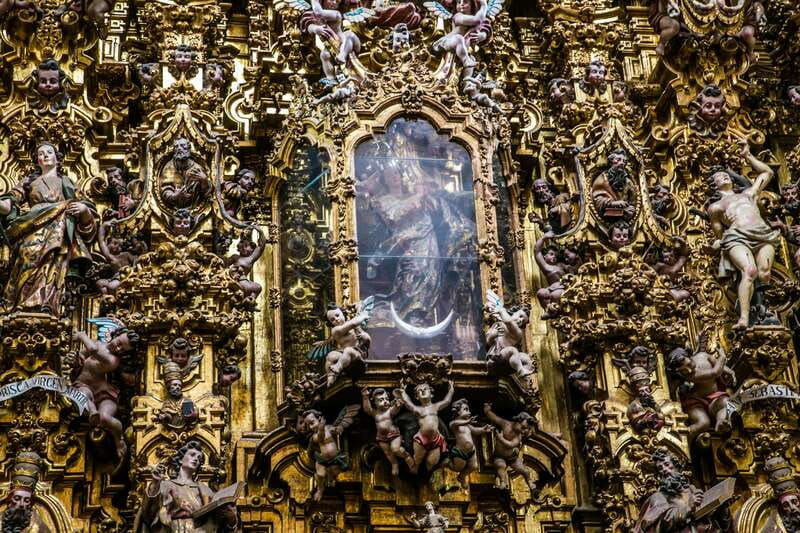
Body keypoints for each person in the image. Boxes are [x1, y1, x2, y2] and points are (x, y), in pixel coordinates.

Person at [0, 142, 98, 314]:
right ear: (37, 160)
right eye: (40, 153)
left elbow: (86, 209)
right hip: (32, 228)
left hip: (59, 230)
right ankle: (22, 302)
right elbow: (9, 204)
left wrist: (83, 210)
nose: (44, 155)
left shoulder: (66, 182)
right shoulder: (29, 182)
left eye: (49, 152)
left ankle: (48, 303)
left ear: (57, 158)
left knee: (55, 264)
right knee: (26, 257)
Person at [706, 139, 779, 330]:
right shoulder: (716, 207)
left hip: (762, 235)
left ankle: (760, 307)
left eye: (726, 175)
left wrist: (747, 155)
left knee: (764, 274)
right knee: (749, 271)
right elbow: (719, 232)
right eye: (719, 177)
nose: (724, 178)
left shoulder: (749, 193)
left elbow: (768, 173)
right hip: (737, 237)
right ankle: (744, 319)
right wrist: (719, 243)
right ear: (714, 185)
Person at [134, 441, 239, 532]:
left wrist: (231, 518)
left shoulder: (205, 490)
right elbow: (148, 513)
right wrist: (155, 483)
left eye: (199, 458)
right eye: (192, 455)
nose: (196, 459)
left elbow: (218, 525)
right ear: (180, 459)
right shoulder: (165, 485)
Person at [394, 381, 454, 474]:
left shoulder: (436, 407)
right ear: (417, 397)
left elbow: (447, 401)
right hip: (421, 439)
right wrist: (403, 392)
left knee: (432, 462)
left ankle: (429, 472)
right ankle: (415, 468)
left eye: (425, 389)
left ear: (431, 394)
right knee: (417, 459)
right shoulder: (418, 409)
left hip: (436, 439)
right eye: (419, 391)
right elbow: (408, 403)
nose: (422, 391)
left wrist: (451, 389)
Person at [362, 387, 415, 478]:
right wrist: (365, 397)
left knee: (395, 449)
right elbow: (367, 409)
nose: (385, 401)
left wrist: (398, 404)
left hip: (393, 434)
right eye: (381, 400)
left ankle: (407, 456)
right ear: (374, 402)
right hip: (381, 437)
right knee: (387, 453)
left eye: (386, 399)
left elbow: (396, 408)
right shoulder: (375, 413)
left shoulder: (389, 411)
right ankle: (394, 464)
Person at [159, 138, 210, 210]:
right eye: (177, 147)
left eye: (183, 146)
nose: (179, 149)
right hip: (174, 209)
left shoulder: (197, 168)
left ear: (189, 149)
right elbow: (165, 189)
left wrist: (204, 180)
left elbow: (206, 194)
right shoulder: (169, 167)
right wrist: (175, 196)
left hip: (194, 206)